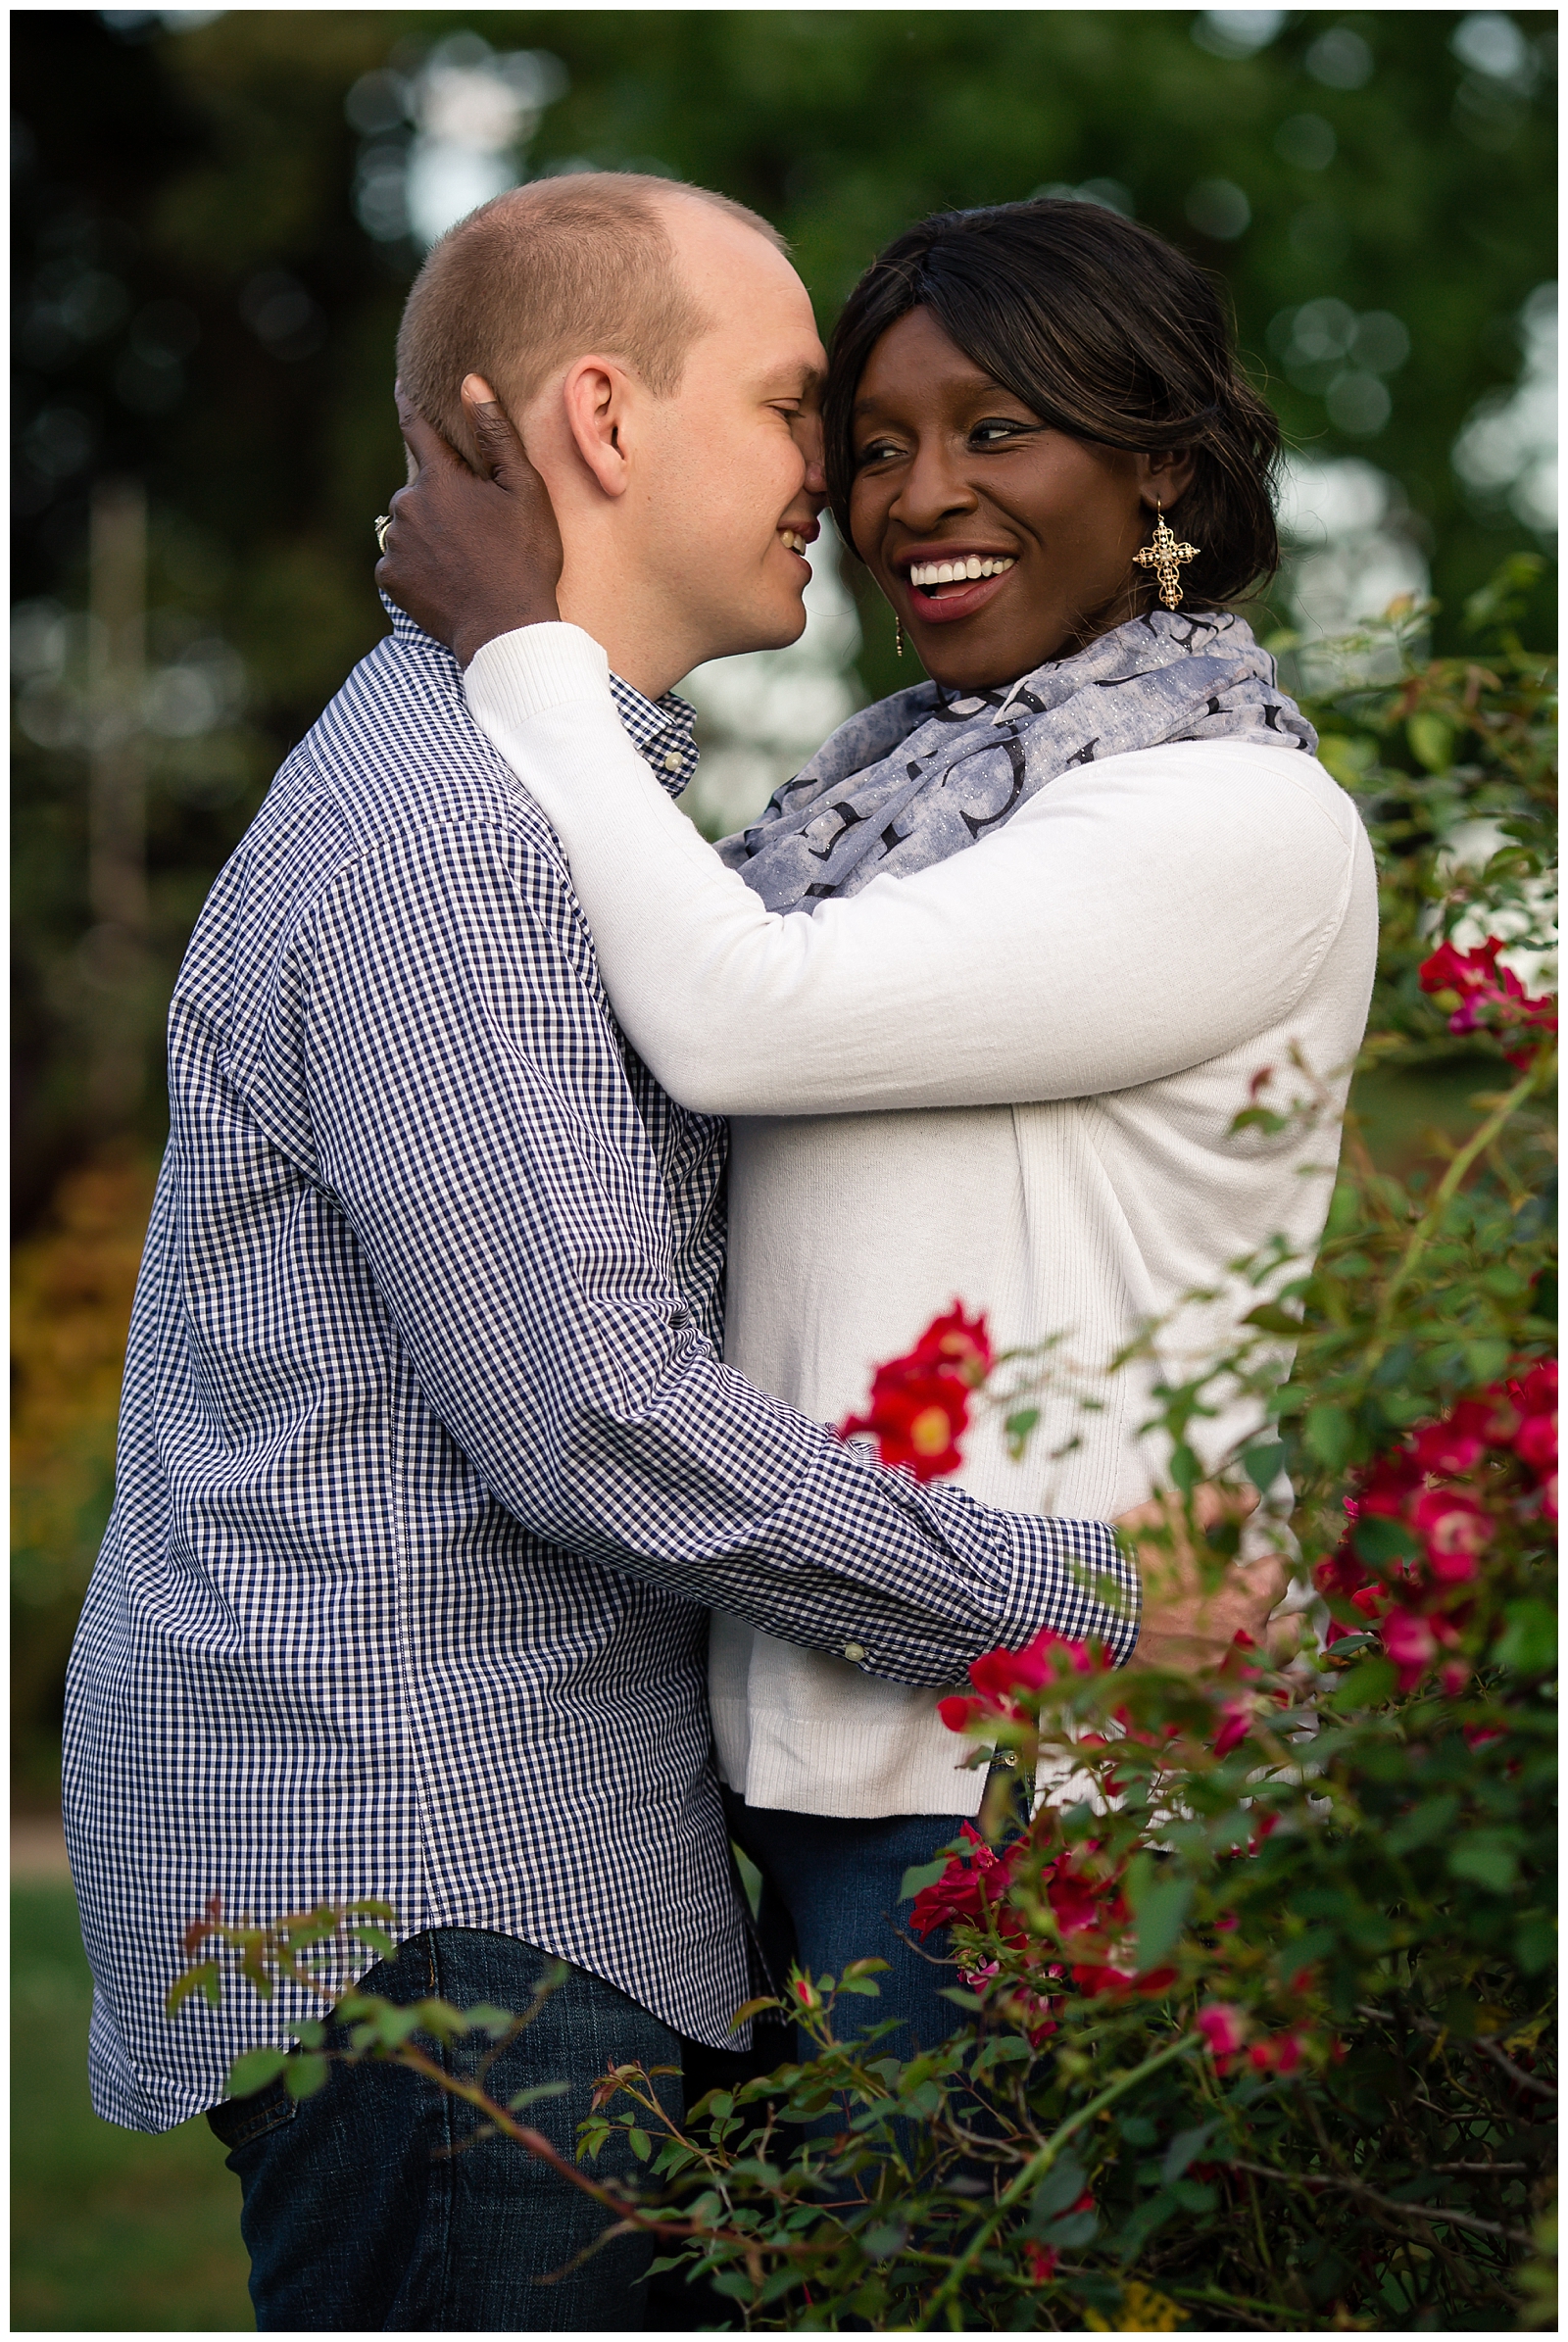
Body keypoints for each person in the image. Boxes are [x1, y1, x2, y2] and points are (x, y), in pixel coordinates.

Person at [61, 174, 1263, 2335]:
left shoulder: (554, 813)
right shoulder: (452, 844)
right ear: (602, 421)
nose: (847, 479)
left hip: (507, 1870)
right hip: (438, 1886)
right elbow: (601, 1421)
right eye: (809, 410)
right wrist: (1089, 1605)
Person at [376, 196, 1375, 2072]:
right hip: (836, 1758)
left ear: (1158, 461)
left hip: (1056, 1776)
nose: (915, 497)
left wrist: (529, 647)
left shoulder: (1229, 815)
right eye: (875, 442)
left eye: (998, 430)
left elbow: (734, 1015)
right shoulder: (898, 793)